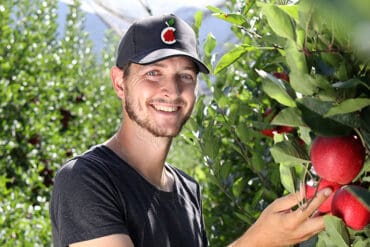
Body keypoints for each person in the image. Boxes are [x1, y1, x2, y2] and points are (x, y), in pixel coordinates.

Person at [49, 14, 332, 247]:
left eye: (185, 76)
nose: (172, 91)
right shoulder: (84, 180)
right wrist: (259, 241)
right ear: (120, 83)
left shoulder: (187, 190)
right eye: (153, 73)